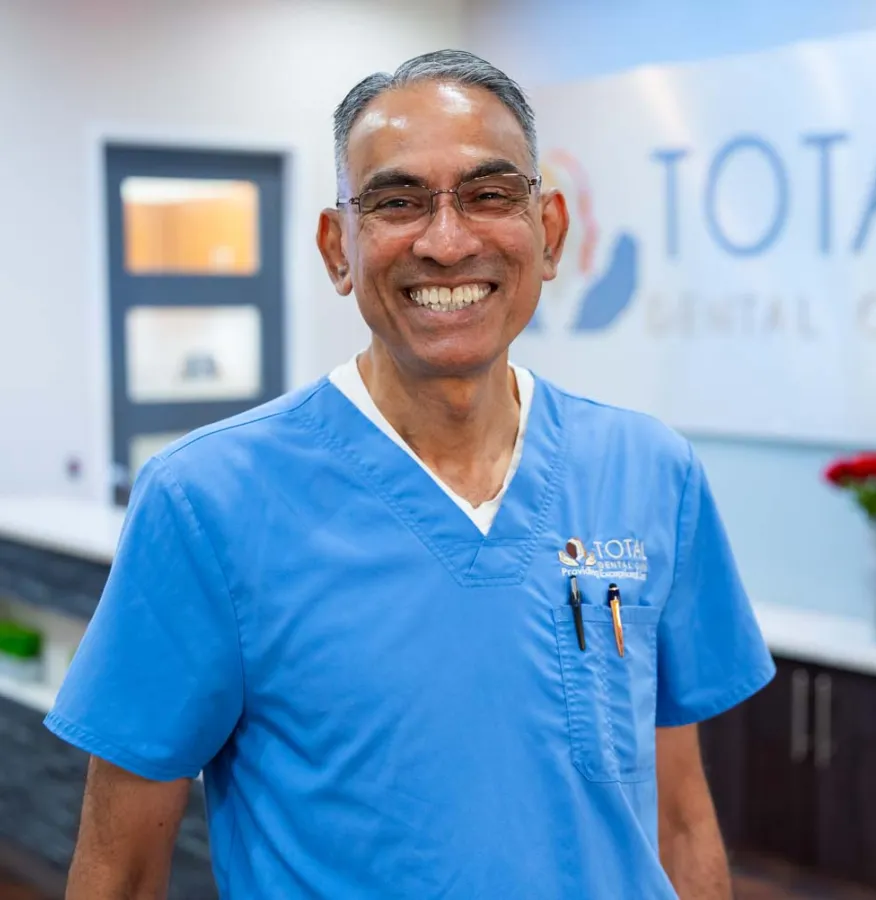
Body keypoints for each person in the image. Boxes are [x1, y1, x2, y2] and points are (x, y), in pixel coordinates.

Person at [46, 49, 775, 899]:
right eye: (396, 203)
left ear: (551, 233)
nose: (447, 240)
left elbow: (678, 814)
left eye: (490, 194)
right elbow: (120, 870)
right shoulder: (208, 501)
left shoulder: (651, 471)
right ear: (338, 248)